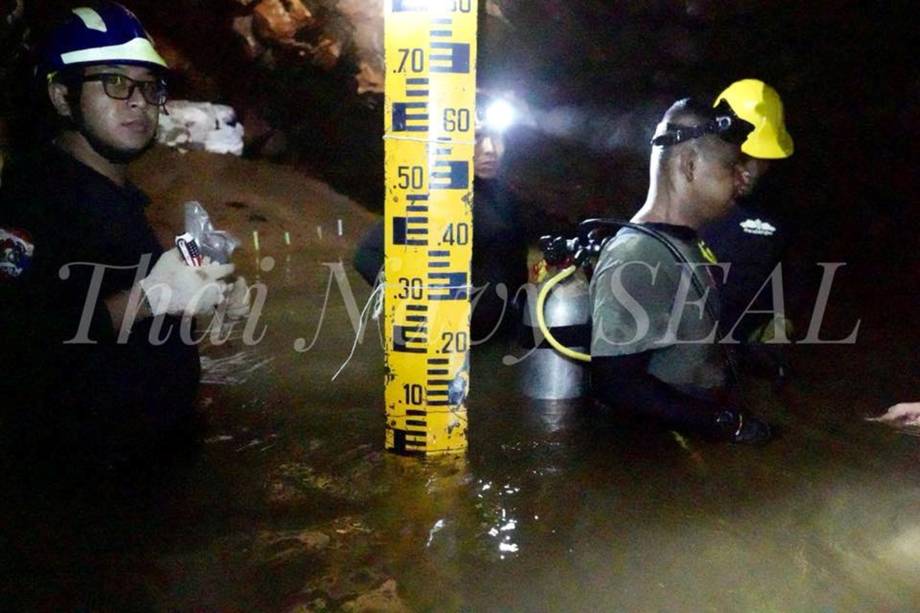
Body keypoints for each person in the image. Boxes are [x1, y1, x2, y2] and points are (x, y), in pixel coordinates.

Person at [0, 2, 235, 463]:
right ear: (61, 97)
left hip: (151, 469)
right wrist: (150, 298)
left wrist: (193, 286)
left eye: (149, 87)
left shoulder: (115, 195)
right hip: (86, 491)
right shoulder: (33, 201)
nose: (138, 101)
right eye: (114, 82)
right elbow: (18, 345)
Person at [589, 98, 772, 444]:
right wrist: (724, 424)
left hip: (688, 441)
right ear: (689, 165)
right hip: (659, 460)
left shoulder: (683, 244)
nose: (742, 176)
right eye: (731, 166)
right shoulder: (638, 253)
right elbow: (617, 384)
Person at [354, 93, 530, 342]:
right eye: (477, 138)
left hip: (502, 336)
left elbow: (514, 264)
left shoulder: (505, 195)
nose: (490, 149)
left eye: (497, 137)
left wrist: (520, 311)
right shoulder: (436, 194)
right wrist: (420, 307)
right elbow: (367, 256)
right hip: (448, 345)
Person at [701, 79, 795, 370]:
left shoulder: (778, 214)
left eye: (763, 158)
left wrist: (779, 323)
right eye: (744, 156)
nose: (752, 170)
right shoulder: (680, 205)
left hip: (737, 363)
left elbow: (793, 276)